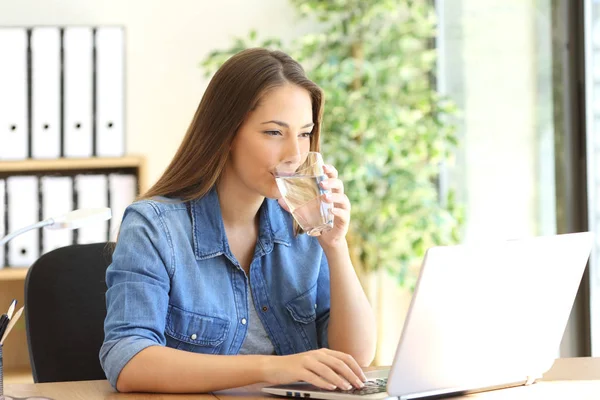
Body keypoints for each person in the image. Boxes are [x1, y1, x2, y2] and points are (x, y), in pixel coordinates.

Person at [100, 48, 377, 394]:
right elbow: (128, 361)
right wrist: (273, 368)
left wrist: (335, 247)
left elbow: (355, 357)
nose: (295, 154)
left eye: (304, 134)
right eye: (274, 133)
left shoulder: (302, 223)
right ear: (228, 134)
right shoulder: (154, 228)